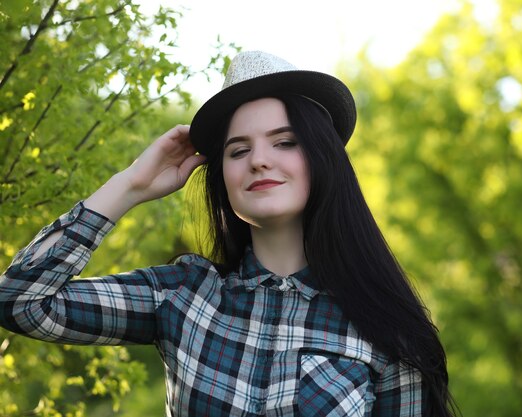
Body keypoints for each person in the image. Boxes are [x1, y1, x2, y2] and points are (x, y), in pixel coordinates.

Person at [0, 51, 456, 417]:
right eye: (238, 150)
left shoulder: (386, 328)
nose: (258, 160)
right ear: (222, 177)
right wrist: (131, 185)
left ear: (323, 158)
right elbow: (20, 301)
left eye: (285, 142)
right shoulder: (183, 294)